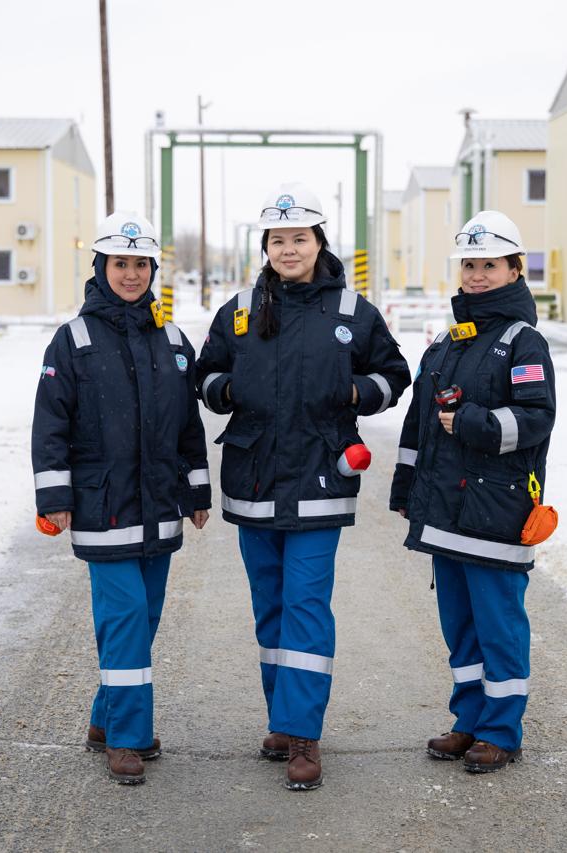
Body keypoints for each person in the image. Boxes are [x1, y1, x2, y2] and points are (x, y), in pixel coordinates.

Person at [196, 183, 410, 791]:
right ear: (265, 247)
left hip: (321, 477)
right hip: (253, 479)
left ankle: (304, 735)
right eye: (278, 240)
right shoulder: (238, 310)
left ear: (319, 242)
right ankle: (283, 720)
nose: (289, 250)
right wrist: (229, 391)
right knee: (270, 609)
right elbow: (206, 376)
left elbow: (395, 375)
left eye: (299, 238)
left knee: (307, 606)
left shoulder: (352, 311)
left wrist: (355, 392)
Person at [31, 211, 211, 785]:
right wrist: (54, 495)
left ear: (153, 269)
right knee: (127, 614)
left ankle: (105, 719)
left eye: (140, 264)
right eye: (119, 263)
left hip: (159, 506)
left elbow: (188, 425)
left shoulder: (173, 339)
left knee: (143, 617)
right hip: (101, 505)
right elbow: (50, 423)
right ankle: (128, 738)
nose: (131, 274)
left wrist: (196, 489)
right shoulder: (74, 340)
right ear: (100, 267)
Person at [389, 210, 556, 773]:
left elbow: (536, 419)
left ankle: (501, 731)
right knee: (459, 627)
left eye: (490, 265)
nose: (477, 276)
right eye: (469, 265)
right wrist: (406, 486)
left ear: (514, 270)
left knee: (498, 628)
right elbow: (419, 424)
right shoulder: (446, 341)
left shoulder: (523, 342)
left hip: (496, 513)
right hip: (445, 512)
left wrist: (474, 423)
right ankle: (469, 720)